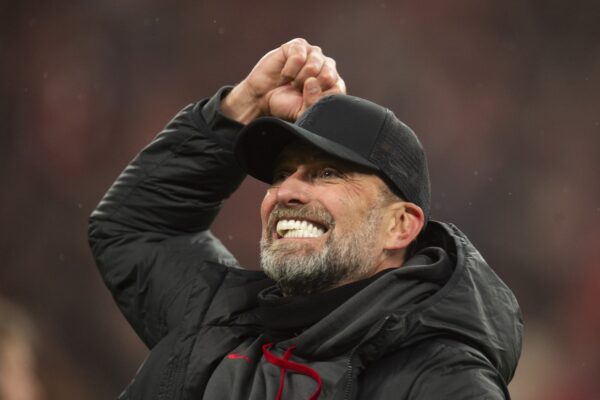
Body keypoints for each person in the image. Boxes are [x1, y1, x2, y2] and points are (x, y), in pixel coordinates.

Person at [89, 38, 522, 399]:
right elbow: (138, 226)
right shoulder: (216, 318)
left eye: (327, 173)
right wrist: (246, 106)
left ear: (400, 225)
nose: (287, 191)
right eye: (280, 174)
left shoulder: (444, 382)